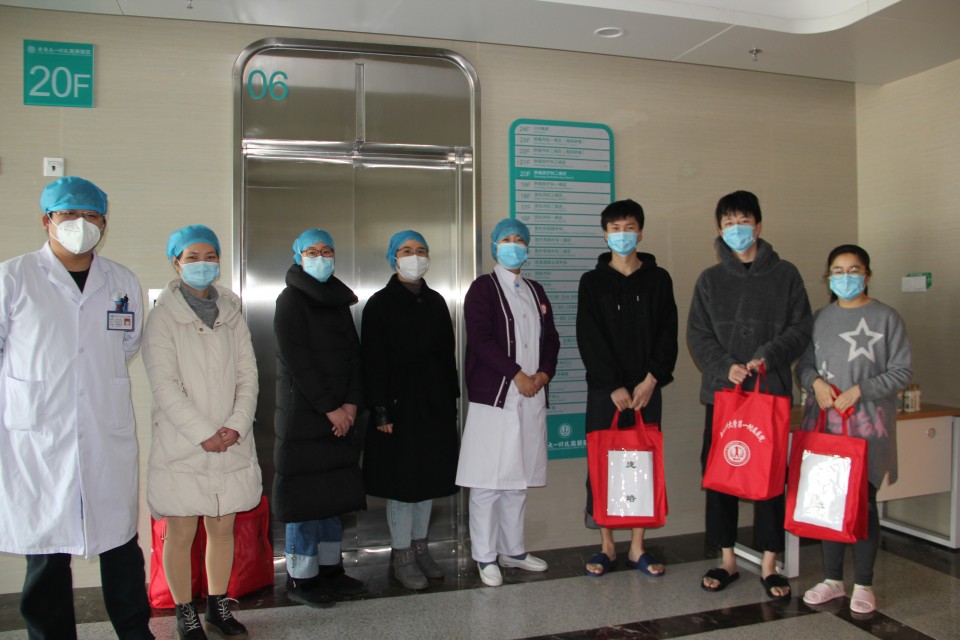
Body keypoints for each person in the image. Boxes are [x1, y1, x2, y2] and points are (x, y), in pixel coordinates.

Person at [0, 177, 154, 640]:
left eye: (91, 215)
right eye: (68, 214)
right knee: (47, 552)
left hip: (105, 430)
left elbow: (126, 343)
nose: (80, 224)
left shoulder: (121, 280)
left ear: (103, 224)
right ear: (46, 220)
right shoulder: (13, 277)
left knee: (120, 544)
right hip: (39, 436)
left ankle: (135, 632)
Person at [687, 190, 812, 600]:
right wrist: (726, 366)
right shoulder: (709, 279)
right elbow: (698, 335)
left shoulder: (786, 274)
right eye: (728, 223)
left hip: (770, 394)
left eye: (743, 221)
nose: (736, 229)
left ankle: (770, 563)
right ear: (719, 230)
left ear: (758, 226)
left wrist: (767, 356)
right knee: (722, 475)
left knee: (771, 477)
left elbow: (801, 329)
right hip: (724, 396)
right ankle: (726, 559)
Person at [143, 224, 260, 640]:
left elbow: (248, 374)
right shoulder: (162, 317)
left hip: (230, 439)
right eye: (192, 257)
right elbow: (164, 385)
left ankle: (217, 607)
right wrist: (202, 432)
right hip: (184, 442)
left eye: (210, 256)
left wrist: (236, 425)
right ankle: (184, 612)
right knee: (180, 532)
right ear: (176, 263)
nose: (202, 264)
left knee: (222, 529)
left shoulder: (231, 311)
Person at [796, 244, 911, 614]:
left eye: (853, 270)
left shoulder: (886, 317)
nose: (845, 277)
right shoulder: (819, 318)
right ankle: (833, 580)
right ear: (828, 277)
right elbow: (804, 365)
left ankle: (864, 583)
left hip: (868, 430)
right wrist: (815, 383)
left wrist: (861, 390)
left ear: (868, 275)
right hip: (826, 429)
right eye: (838, 271)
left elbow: (901, 372)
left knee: (864, 505)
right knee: (828, 503)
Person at [456, 218, 560, 587]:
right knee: (488, 481)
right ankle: (485, 555)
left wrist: (543, 375)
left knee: (517, 480)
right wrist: (516, 375)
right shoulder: (482, 288)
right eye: (506, 239)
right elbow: (480, 340)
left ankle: (512, 550)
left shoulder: (535, 290)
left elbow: (551, 339)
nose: (513, 245)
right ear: (494, 246)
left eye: (519, 239)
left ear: (527, 248)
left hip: (531, 395)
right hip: (496, 397)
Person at [577, 199, 678, 577]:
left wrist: (652, 379)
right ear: (605, 235)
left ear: (641, 232)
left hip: (646, 389)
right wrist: (612, 384)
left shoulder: (659, 279)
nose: (622, 235)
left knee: (642, 462)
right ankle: (607, 545)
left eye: (629, 227)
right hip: (605, 392)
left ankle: (637, 547)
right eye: (615, 229)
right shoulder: (591, 282)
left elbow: (668, 332)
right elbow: (588, 336)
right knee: (601, 464)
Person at [361, 230, 460, 590]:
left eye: (420, 250)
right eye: (406, 251)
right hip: (397, 409)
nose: (414, 256)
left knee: (428, 481)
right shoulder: (379, 304)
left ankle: (421, 548)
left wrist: (451, 401)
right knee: (402, 486)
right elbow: (372, 360)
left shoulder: (436, 301)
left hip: (433, 407)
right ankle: (401, 554)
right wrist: (380, 410)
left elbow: (447, 356)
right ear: (393, 258)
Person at [273, 229, 366, 609]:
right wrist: (332, 409)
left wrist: (352, 404)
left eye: (327, 251)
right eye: (312, 251)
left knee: (333, 494)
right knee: (305, 498)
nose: (321, 257)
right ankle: (301, 576)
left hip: (341, 414)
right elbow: (298, 362)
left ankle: (331, 569)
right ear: (298, 257)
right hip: (305, 414)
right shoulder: (290, 301)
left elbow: (355, 356)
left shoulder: (338, 301)